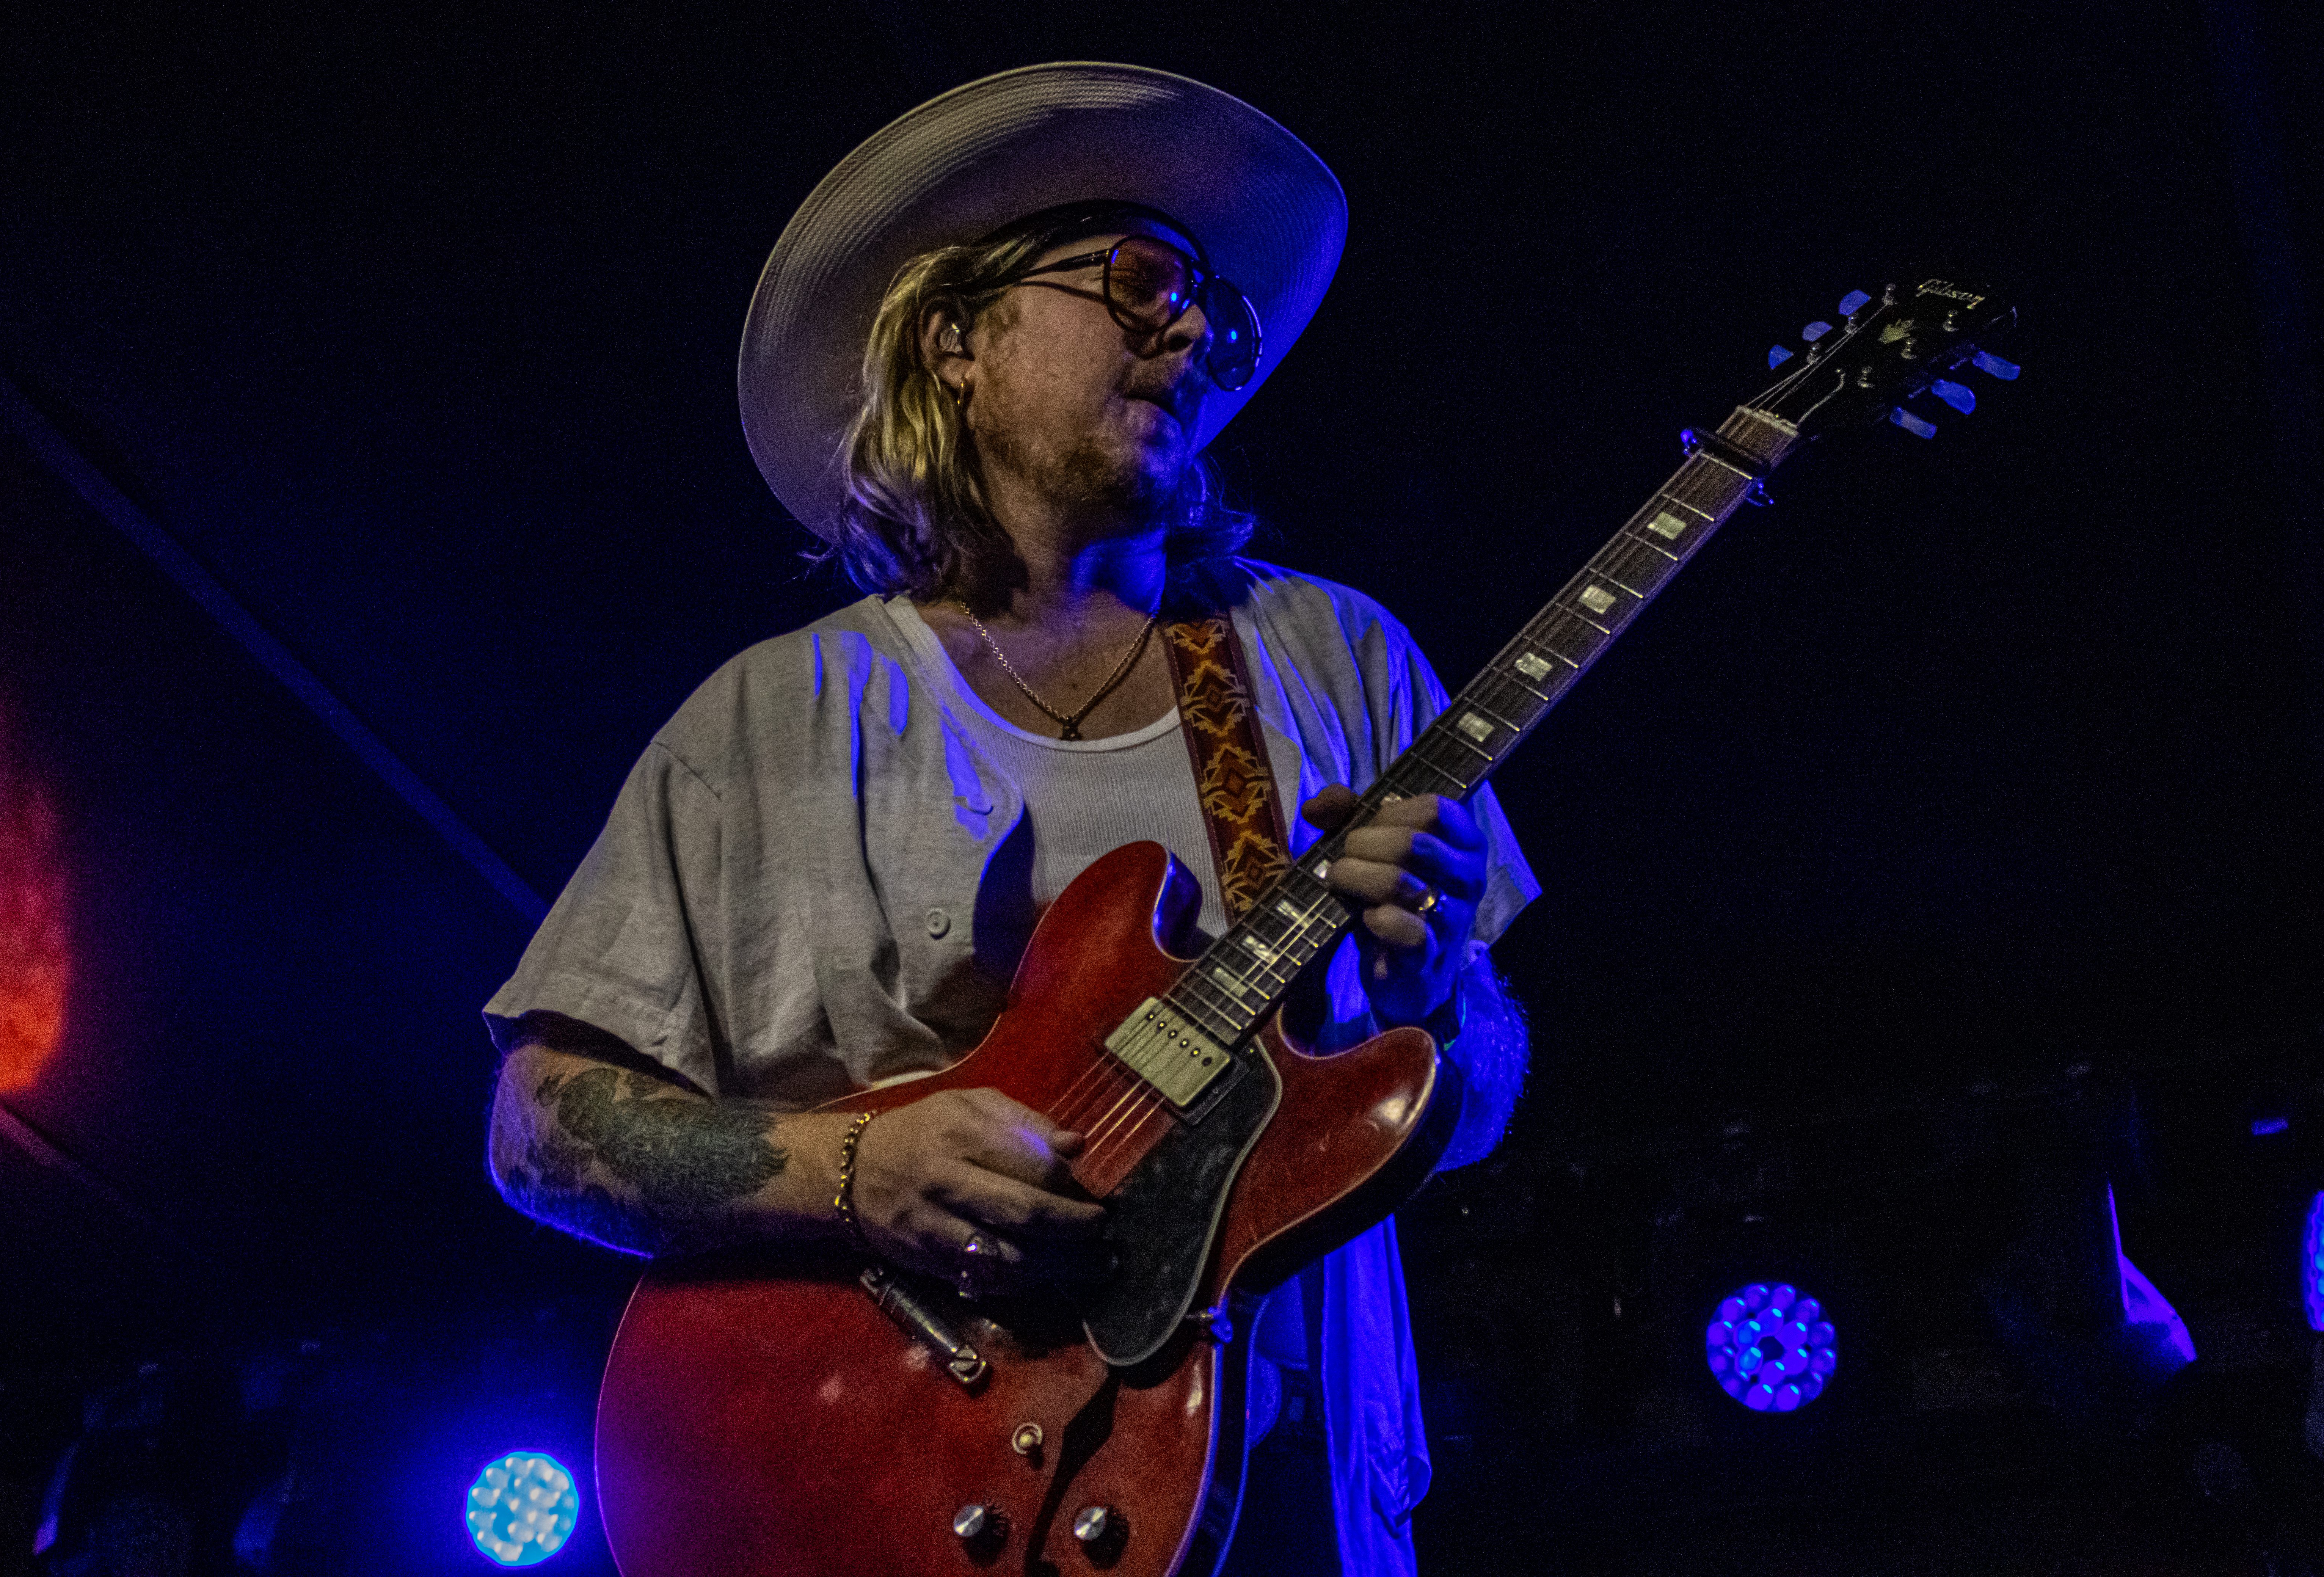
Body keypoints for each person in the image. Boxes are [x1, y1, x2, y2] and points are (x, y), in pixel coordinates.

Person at [482, 64, 1538, 1575]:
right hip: (877, 1489)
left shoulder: (1336, 658)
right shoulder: (776, 719)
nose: (1191, 327)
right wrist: (860, 1171)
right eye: (1138, 279)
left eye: (1214, 313)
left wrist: (1433, 995)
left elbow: (1473, 1094)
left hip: (1279, 1498)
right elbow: (538, 1125)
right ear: (957, 339)